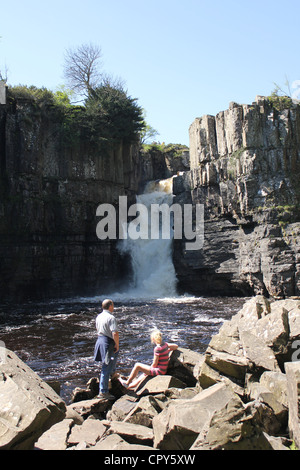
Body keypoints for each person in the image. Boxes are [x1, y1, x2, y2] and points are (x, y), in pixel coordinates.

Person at [94, 299, 119, 399]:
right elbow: (115, 333)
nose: (113, 307)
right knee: (106, 366)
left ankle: (112, 376)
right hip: (108, 342)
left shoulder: (99, 316)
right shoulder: (111, 317)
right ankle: (103, 392)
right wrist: (117, 344)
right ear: (110, 306)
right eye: (113, 305)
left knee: (109, 363)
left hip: (100, 340)